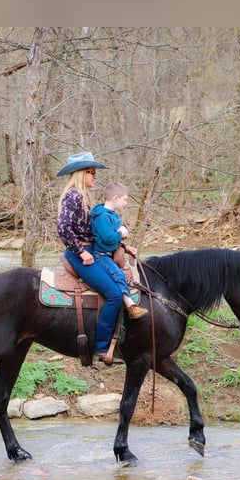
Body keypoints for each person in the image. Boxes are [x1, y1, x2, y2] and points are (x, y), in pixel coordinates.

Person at [56, 152, 148, 364]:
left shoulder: (84, 197)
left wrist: (122, 246)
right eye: (91, 172)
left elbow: (96, 233)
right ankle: (101, 347)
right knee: (115, 295)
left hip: (92, 250)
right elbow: (63, 228)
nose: (95, 177)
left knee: (119, 282)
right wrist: (81, 251)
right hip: (82, 255)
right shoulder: (74, 196)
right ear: (81, 173)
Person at [90, 181, 146, 320]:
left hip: (109, 254)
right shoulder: (102, 216)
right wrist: (122, 233)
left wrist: (124, 242)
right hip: (100, 255)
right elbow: (108, 237)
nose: (126, 203)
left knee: (123, 273)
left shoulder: (112, 214)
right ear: (115, 198)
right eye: (125, 199)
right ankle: (130, 305)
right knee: (118, 275)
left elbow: (116, 230)